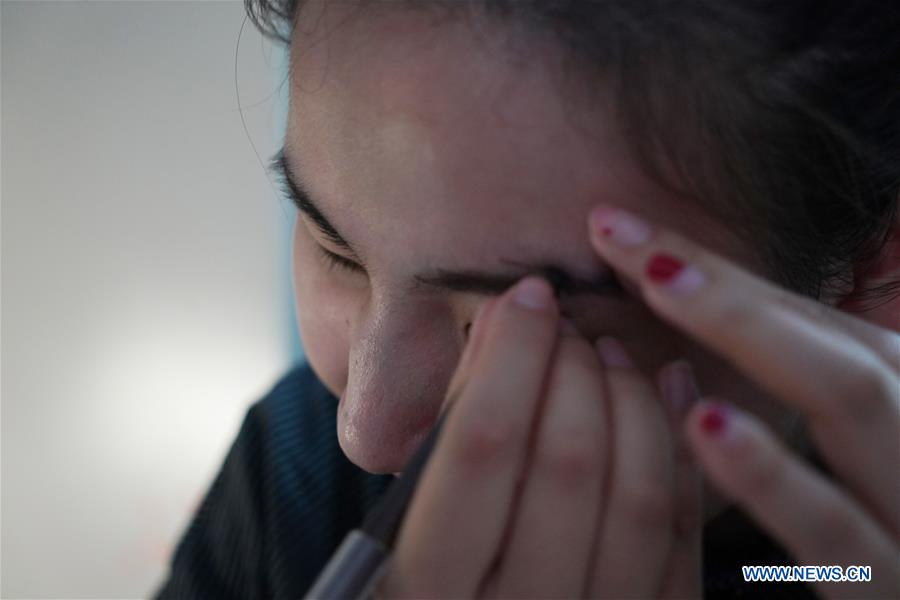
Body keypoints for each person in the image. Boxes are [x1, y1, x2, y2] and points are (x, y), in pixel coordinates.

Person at [154, 0, 900, 598]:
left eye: (528, 318)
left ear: (871, 265)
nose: (366, 437)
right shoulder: (298, 472)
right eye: (334, 250)